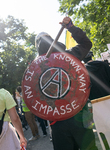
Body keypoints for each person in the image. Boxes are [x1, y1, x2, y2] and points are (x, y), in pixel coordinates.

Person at [35, 16, 96, 150]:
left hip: (57, 122)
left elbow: (35, 99)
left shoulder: (35, 70)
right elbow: (86, 44)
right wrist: (71, 28)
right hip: (79, 115)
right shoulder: (70, 55)